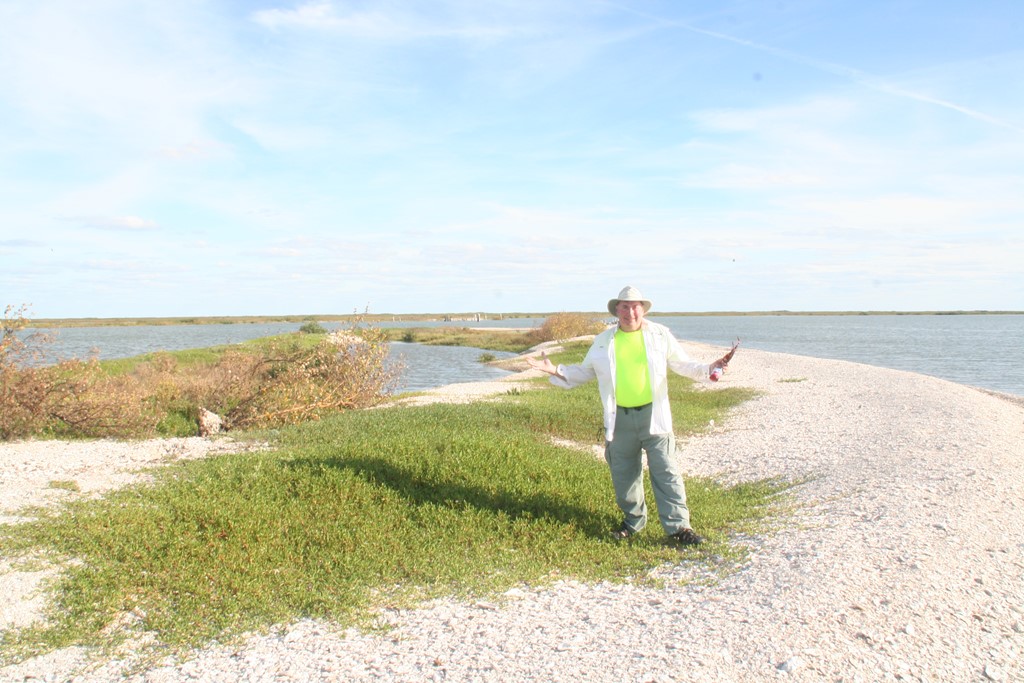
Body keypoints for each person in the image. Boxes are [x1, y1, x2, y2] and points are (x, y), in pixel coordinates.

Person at [526, 285, 732, 546]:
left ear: (643, 310)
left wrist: (709, 368)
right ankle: (633, 522)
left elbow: (683, 364)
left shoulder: (660, 335)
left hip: (654, 416)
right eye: (625, 306)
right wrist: (555, 370)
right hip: (619, 419)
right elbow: (585, 372)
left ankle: (679, 528)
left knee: (667, 472)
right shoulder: (603, 341)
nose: (630, 312)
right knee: (624, 476)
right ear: (617, 310)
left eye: (635, 307)